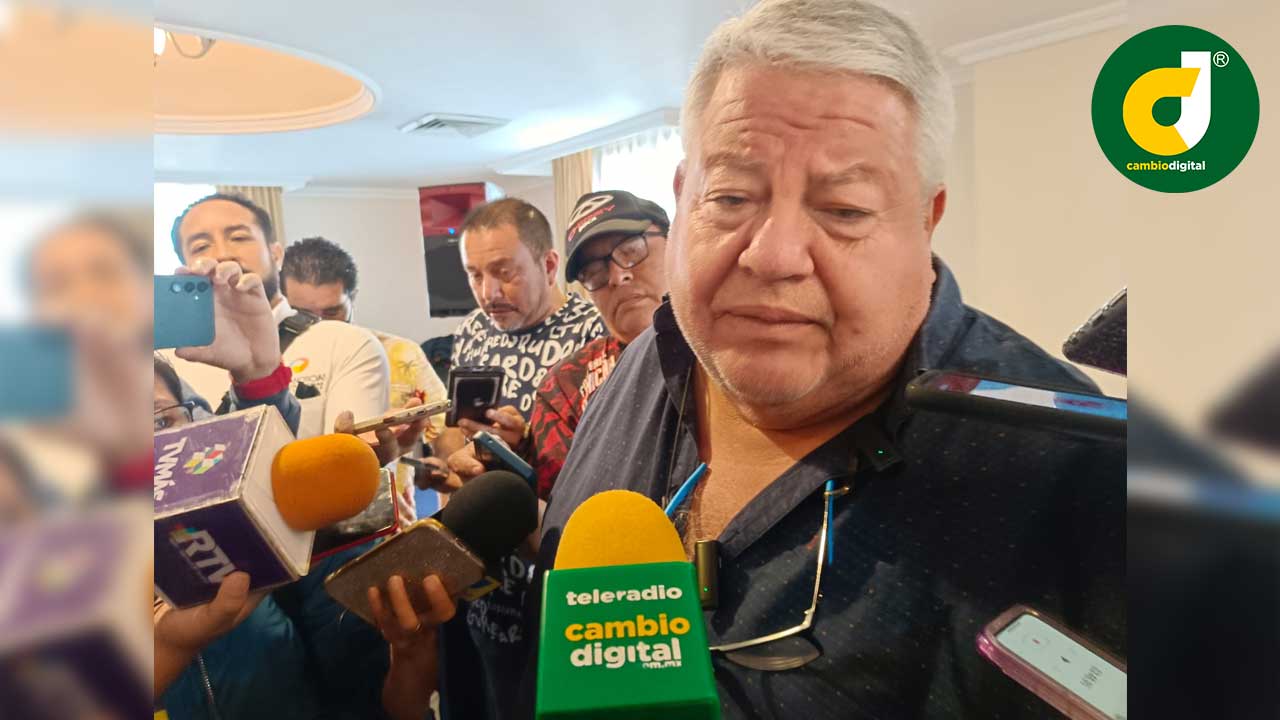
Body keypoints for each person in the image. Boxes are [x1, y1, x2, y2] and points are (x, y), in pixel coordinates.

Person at [530, 1, 1126, 718]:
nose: (774, 255)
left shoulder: (1083, 477)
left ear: (927, 219)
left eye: (844, 209)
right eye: (731, 197)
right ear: (684, 197)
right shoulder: (640, 367)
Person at [152, 258, 455, 720]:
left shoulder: (259, 554)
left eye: (160, 422)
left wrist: (259, 375)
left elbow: (372, 701)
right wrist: (167, 648)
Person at [427, 198, 606, 720]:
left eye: (504, 272)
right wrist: (458, 455)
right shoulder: (473, 330)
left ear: (548, 264)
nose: (489, 292)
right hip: (487, 586)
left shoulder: (594, 331)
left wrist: (526, 443)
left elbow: (603, 460)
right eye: (474, 274)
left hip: (563, 576)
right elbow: (450, 431)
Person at [446, 190, 670, 500]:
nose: (488, 293)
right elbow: (560, 497)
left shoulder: (590, 328)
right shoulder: (565, 380)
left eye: (632, 251)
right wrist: (516, 449)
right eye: (594, 271)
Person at [166, 193, 390, 439]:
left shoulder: (346, 343)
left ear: (276, 254)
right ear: (184, 265)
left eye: (239, 237)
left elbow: (351, 457)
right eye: (200, 247)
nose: (222, 254)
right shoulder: (170, 366)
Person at [279, 235, 450, 519]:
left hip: (394, 530)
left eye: (332, 312)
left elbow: (445, 444)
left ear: (353, 297)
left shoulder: (402, 354)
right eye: (303, 315)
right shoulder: (269, 365)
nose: (320, 327)